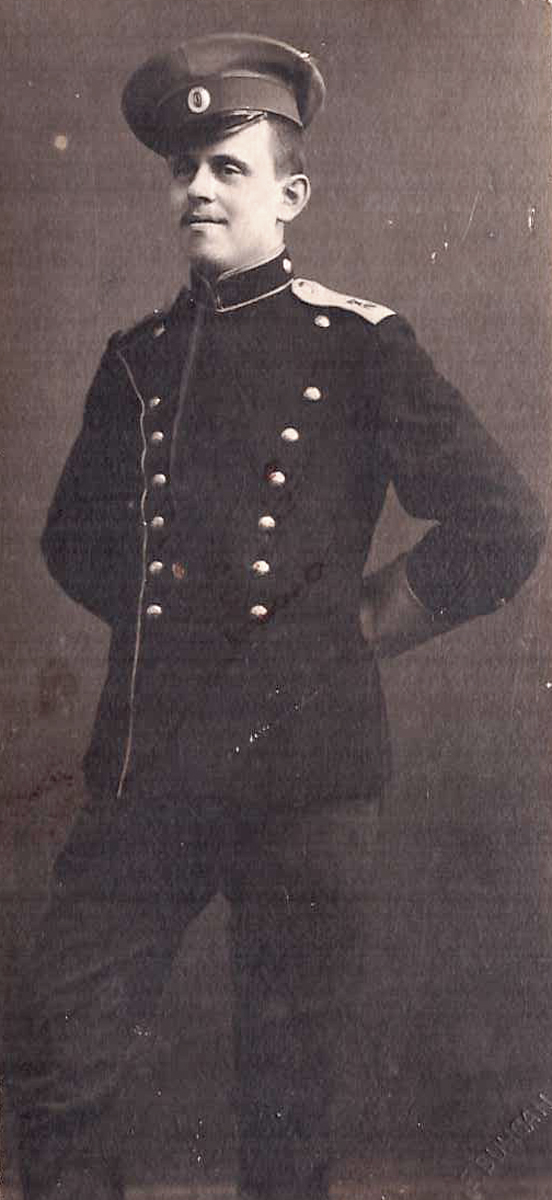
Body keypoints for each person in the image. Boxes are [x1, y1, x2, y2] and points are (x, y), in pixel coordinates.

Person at [10, 31, 546, 1200]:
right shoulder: (135, 359)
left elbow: (503, 523)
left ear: (290, 195)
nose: (198, 188)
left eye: (228, 167)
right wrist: (182, 624)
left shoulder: (358, 344)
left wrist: (360, 626)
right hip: (151, 768)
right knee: (59, 1056)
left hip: (304, 773)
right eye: (183, 168)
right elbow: (72, 544)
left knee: (287, 1107)